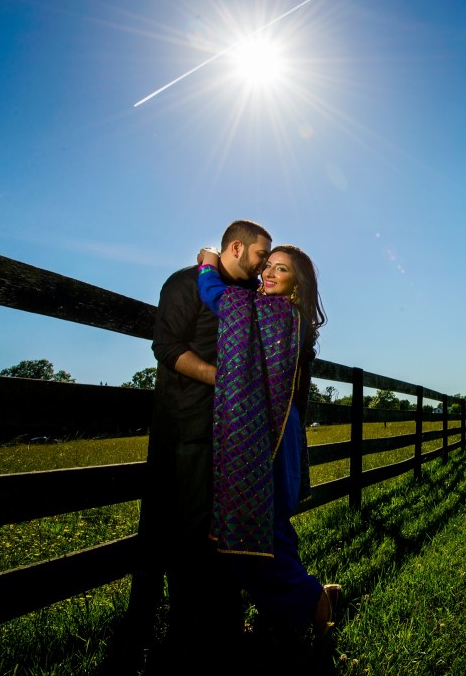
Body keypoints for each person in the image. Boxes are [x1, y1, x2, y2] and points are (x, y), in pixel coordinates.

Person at [139, 220, 273, 659]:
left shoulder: (248, 298)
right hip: (188, 428)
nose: (263, 266)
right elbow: (167, 346)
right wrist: (226, 379)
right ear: (236, 247)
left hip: (233, 437)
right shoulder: (184, 283)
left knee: (225, 532)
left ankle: (223, 627)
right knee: (187, 531)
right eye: (259, 256)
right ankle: (182, 633)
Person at [197, 244, 340, 639]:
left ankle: (310, 599)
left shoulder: (276, 312)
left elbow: (222, 300)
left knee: (256, 526)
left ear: (297, 284)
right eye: (268, 267)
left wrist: (209, 267)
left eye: (281, 270)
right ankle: (298, 602)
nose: (269, 275)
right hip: (281, 427)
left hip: (269, 432)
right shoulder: (292, 319)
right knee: (273, 520)